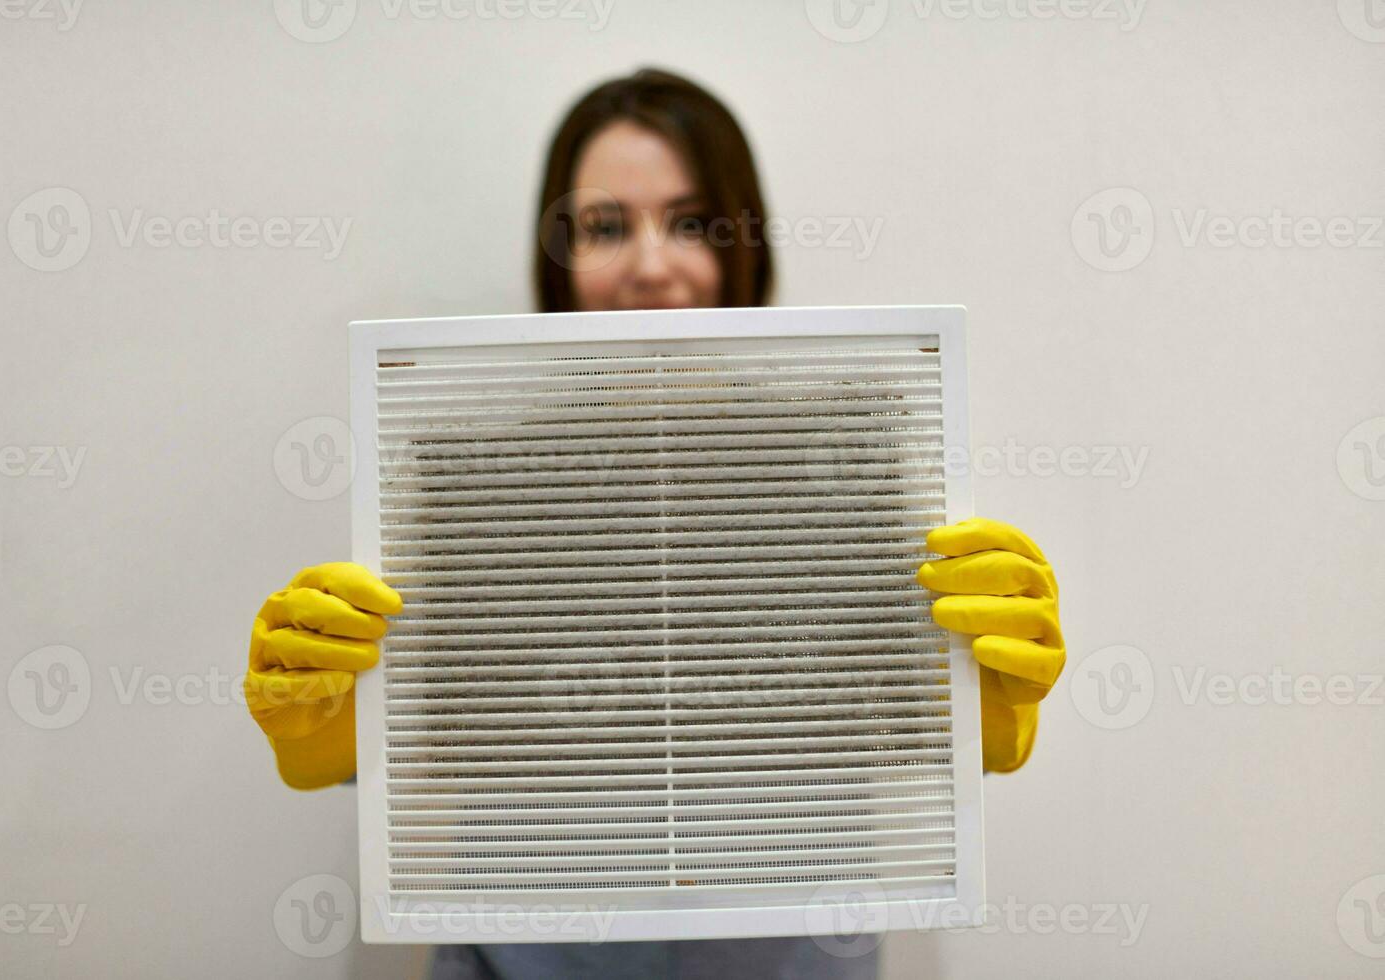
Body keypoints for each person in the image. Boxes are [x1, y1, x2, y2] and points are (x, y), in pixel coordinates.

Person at [244, 68, 1067, 980]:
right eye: (604, 226)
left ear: (743, 244)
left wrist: (968, 699)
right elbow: (427, 733)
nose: (649, 265)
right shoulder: (471, 481)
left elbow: (900, 721)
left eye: (692, 222)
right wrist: (330, 719)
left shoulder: (846, 470)